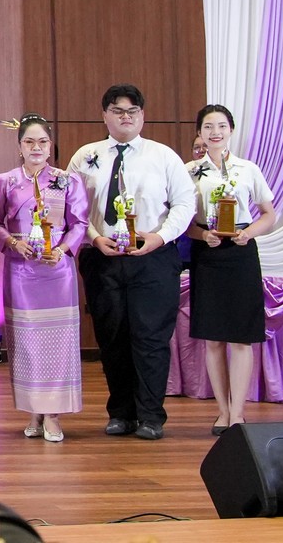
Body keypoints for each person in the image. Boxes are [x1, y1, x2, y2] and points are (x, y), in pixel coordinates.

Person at [68, 83, 194, 440]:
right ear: (104, 115)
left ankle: (151, 415)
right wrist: (95, 237)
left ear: (142, 115)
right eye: (117, 111)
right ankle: (121, 413)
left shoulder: (163, 156)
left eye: (132, 111)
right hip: (102, 256)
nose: (125, 117)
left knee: (150, 338)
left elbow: (185, 203)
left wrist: (160, 237)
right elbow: (73, 208)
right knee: (112, 337)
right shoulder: (85, 156)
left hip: (153, 257)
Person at [0, 114, 88, 443]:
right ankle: (34, 410)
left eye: (42, 142)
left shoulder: (67, 180)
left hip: (57, 271)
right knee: (27, 343)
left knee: (59, 343)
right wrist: (13, 243)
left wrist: (62, 250)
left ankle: (54, 414)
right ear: (19, 146)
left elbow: (79, 223)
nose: (36, 147)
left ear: (50, 145)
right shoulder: (4, 181)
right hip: (21, 269)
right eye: (29, 142)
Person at [184, 104, 276, 435]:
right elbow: (182, 220)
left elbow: (269, 214)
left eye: (222, 126)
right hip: (208, 254)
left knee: (241, 338)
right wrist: (202, 235)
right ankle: (222, 411)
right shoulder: (189, 171)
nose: (215, 132)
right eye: (208, 127)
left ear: (231, 130)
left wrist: (249, 233)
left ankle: (238, 413)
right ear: (199, 132)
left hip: (241, 252)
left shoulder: (248, 169)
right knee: (213, 339)